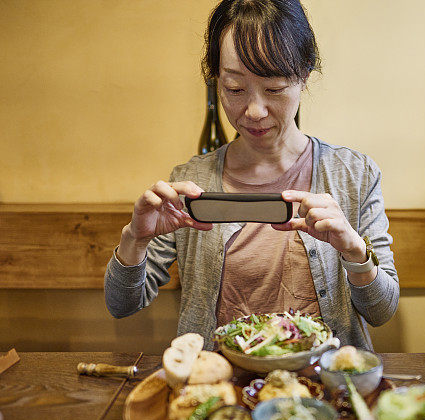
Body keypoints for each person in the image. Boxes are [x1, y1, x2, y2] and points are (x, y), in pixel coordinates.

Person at [104, 0, 399, 349]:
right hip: (219, 386)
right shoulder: (191, 180)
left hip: (322, 387)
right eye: (234, 89)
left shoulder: (354, 175)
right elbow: (121, 305)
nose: (254, 111)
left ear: (304, 75)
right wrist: (134, 239)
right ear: (215, 81)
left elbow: (382, 310)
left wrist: (354, 251)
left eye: (273, 89)